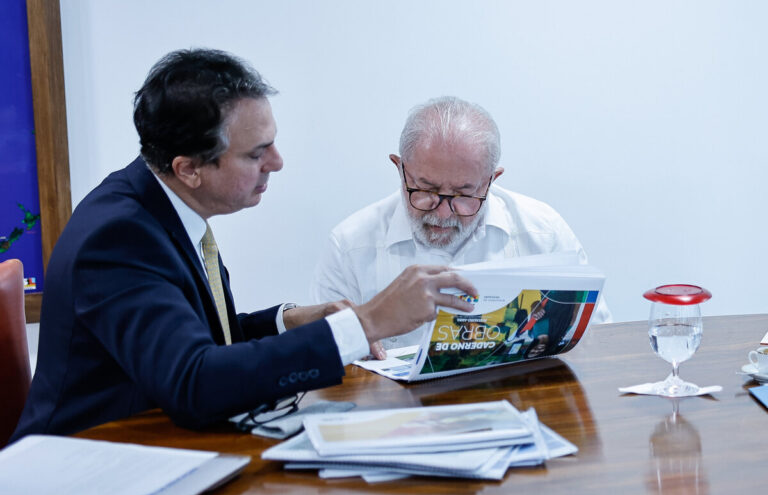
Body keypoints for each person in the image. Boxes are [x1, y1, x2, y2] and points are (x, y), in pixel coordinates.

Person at [10, 49, 477, 441]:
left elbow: (196, 336)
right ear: (189, 168)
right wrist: (368, 320)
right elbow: (195, 380)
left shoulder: (157, 205)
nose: (277, 162)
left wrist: (288, 320)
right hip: (90, 463)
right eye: (257, 153)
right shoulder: (117, 238)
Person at [311, 96, 611, 349]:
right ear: (399, 168)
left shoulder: (543, 233)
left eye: (464, 194)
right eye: (426, 190)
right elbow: (327, 365)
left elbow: (594, 341)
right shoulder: (350, 246)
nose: (442, 213)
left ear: (491, 180)